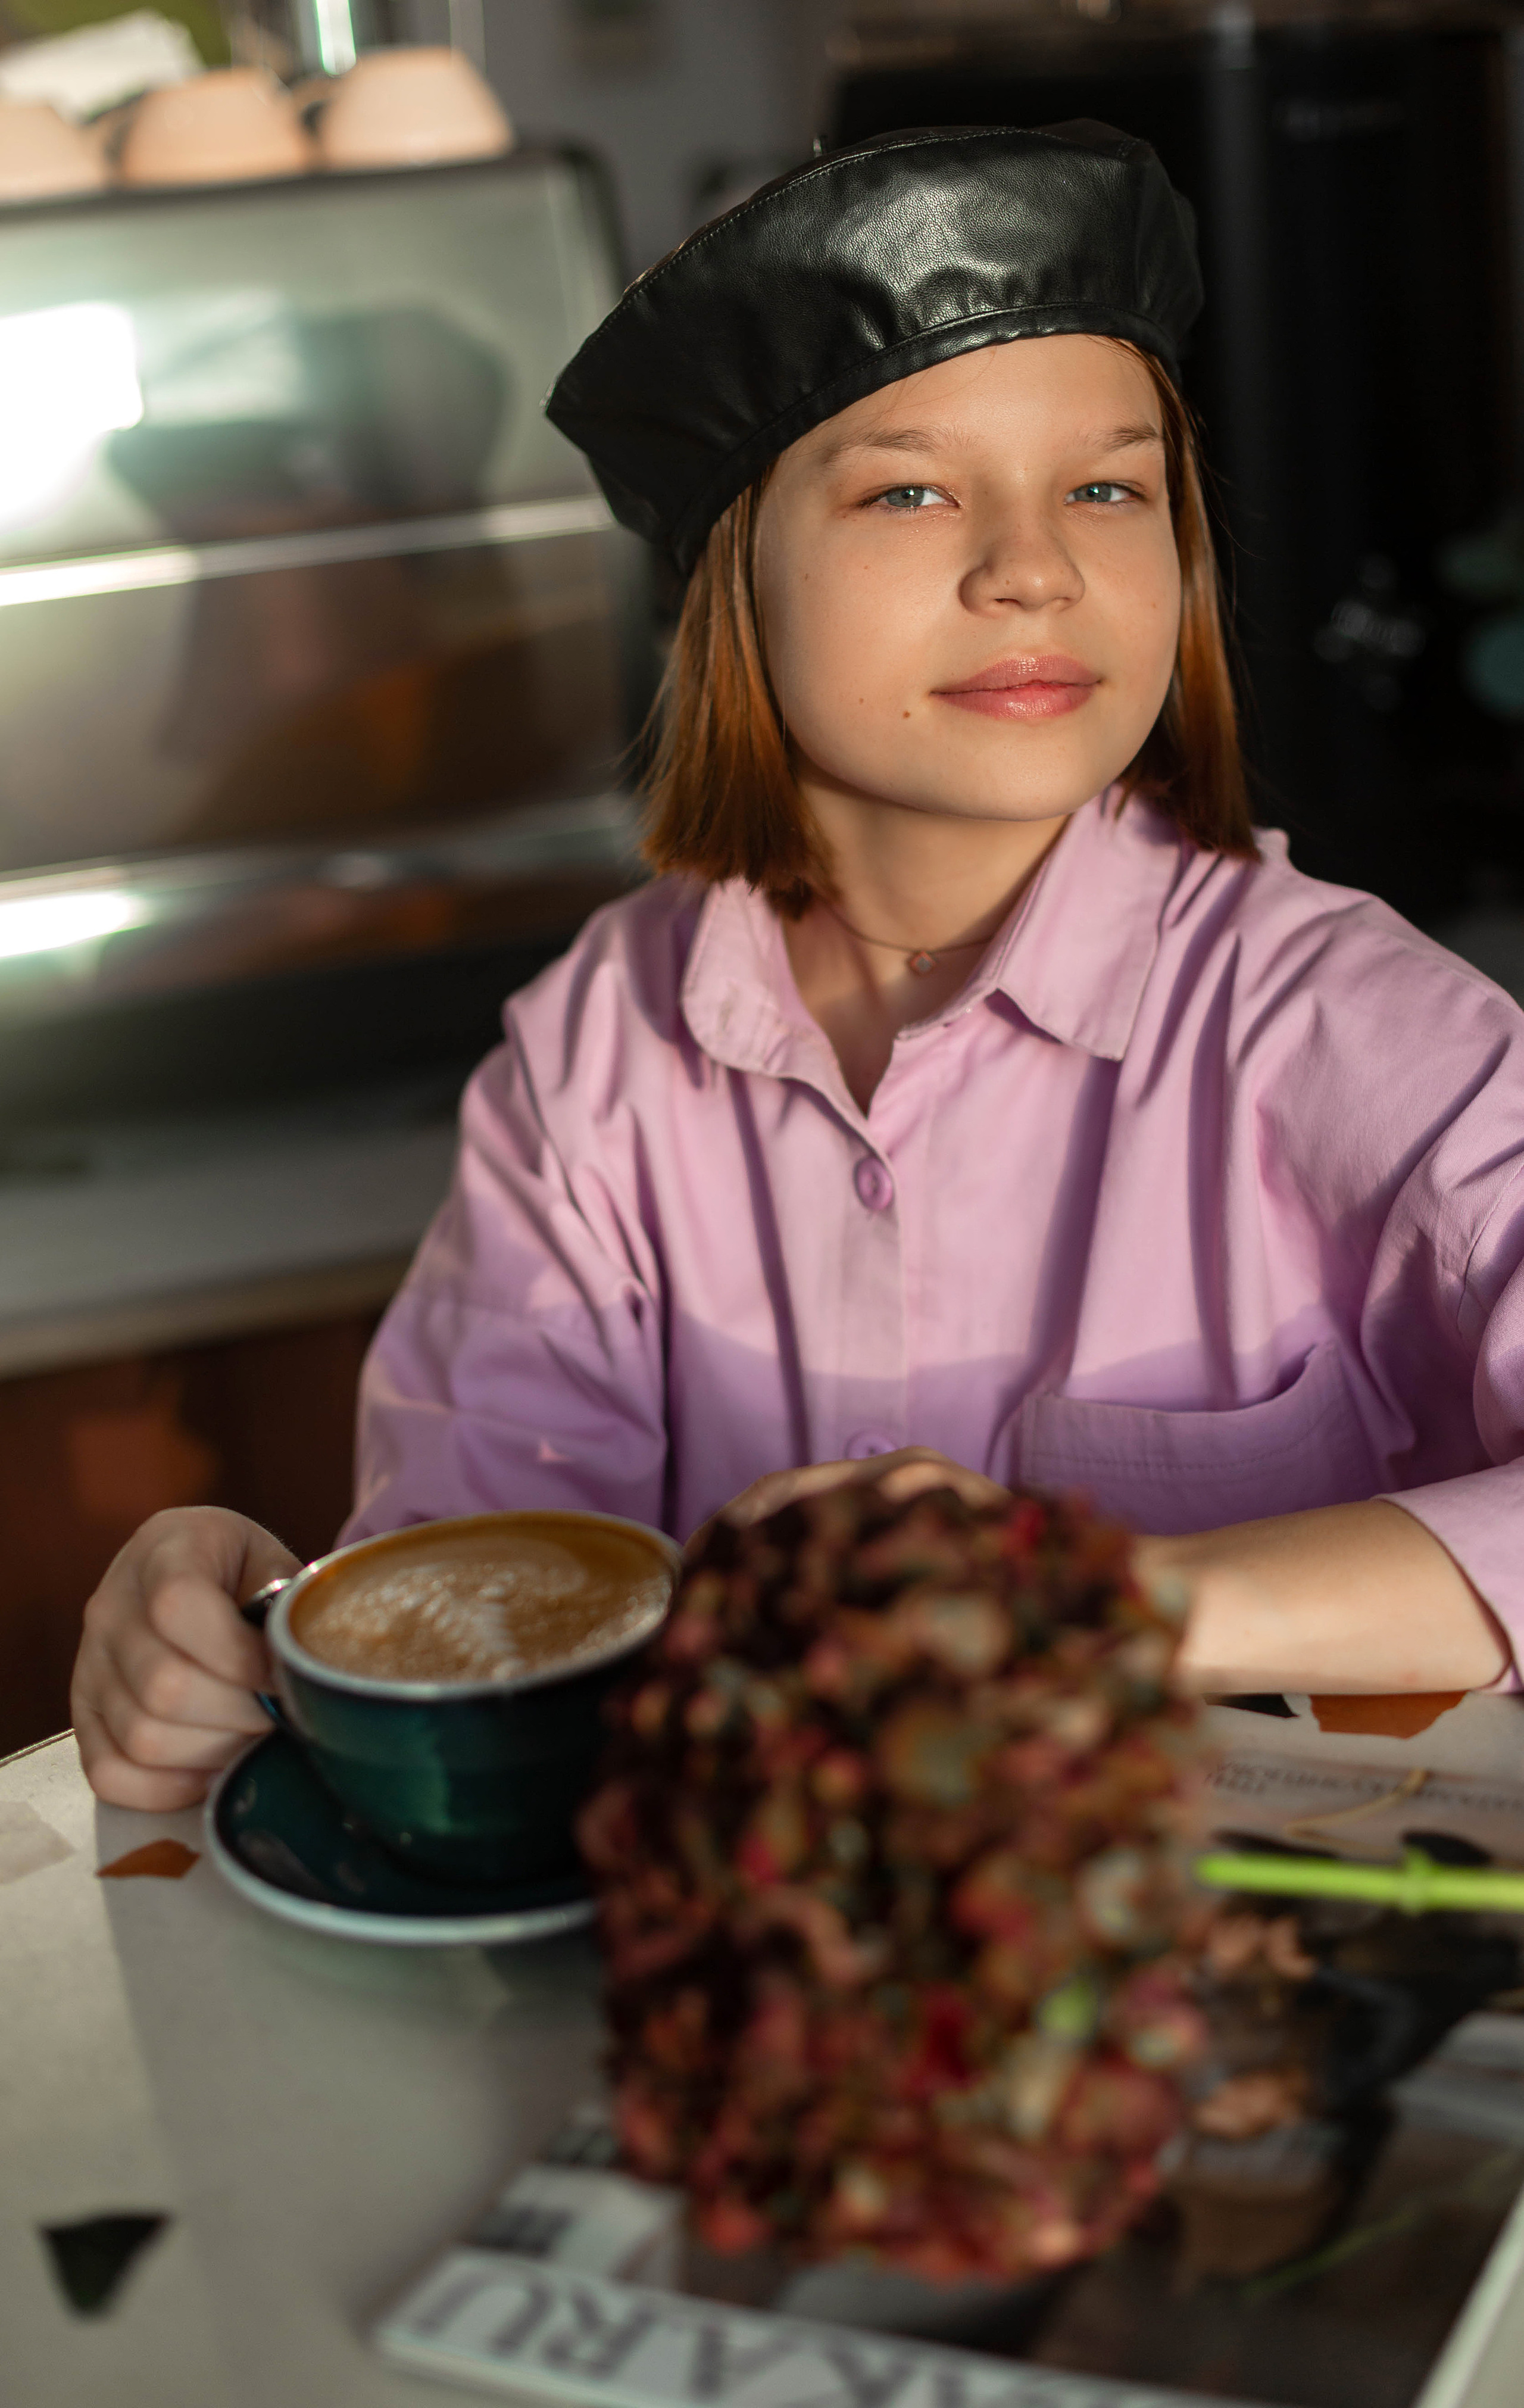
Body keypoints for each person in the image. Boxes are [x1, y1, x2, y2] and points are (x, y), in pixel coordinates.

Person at [73, 122, 1520, 1816]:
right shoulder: (592, 1063)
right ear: (726, 588)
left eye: (1107, 487)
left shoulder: (1344, 1022)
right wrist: (246, 1610)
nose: (1034, 566)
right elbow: (479, 1599)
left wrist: (1098, 1602)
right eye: (912, 488)